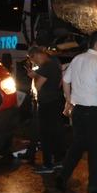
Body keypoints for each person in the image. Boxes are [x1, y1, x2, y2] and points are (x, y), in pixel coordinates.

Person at [55, 31, 97, 193]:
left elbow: (66, 80)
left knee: (77, 145)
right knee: (95, 148)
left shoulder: (77, 59)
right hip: (96, 111)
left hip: (79, 111)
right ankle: (94, 186)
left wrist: (68, 100)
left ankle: (62, 177)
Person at [26, 46, 64, 174]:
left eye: (34, 61)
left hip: (47, 104)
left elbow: (38, 86)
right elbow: (60, 82)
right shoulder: (54, 62)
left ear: (35, 55)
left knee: (46, 134)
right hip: (56, 100)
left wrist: (33, 76)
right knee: (57, 132)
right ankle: (59, 160)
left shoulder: (46, 66)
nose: (35, 64)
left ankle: (48, 165)